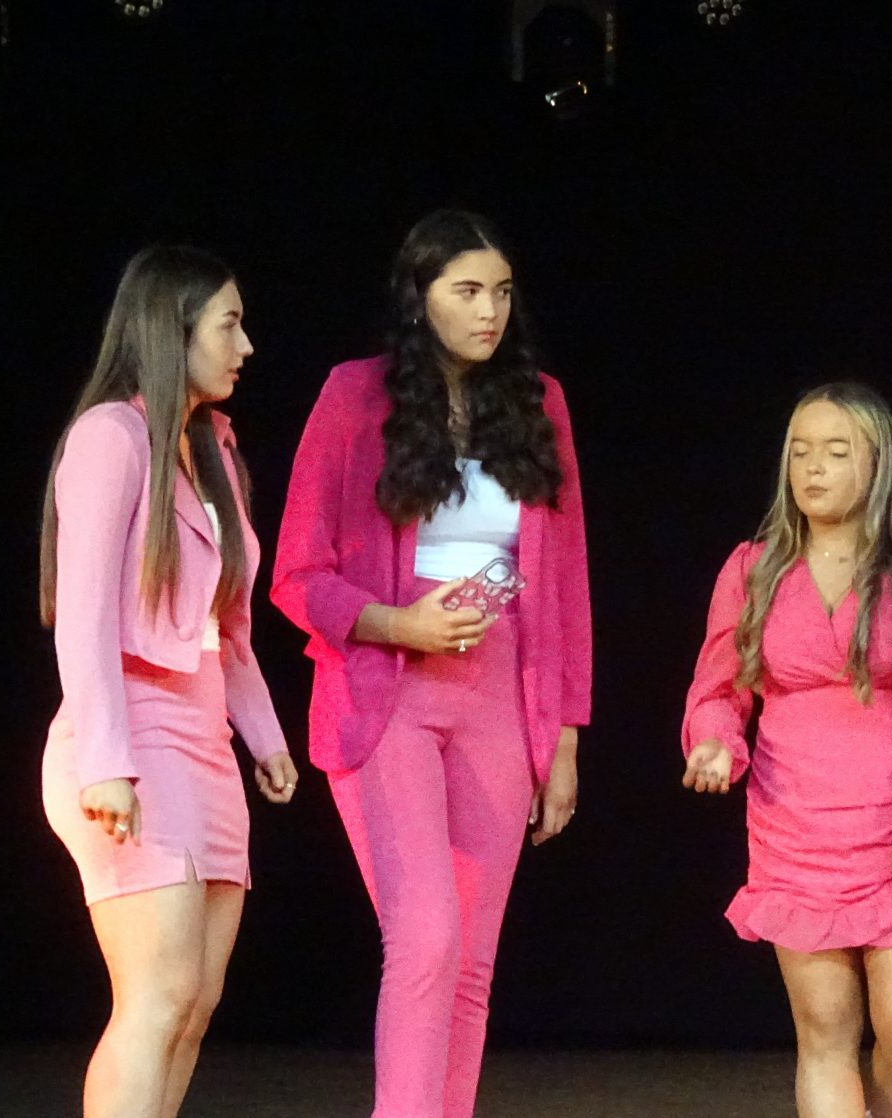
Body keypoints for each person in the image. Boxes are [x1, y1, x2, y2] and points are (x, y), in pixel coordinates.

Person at [271, 209, 591, 1117]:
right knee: (424, 937)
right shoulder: (354, 394)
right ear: (420, 296)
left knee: (473, 963)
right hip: (390, 692)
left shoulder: (540, 402)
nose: (489, 311)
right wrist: (397, 624)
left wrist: (564, 738)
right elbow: (296, 573)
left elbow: (565, 583)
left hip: (501, 697)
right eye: (467, 291)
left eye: (502, 293)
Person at [40, 245, 297, 1118]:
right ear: (171, 329)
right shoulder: (109, 437)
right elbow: (83, 616)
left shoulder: (211, 446)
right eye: (229, 324)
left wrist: (265, 738)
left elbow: (228, 627)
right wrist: (106, 762)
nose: (245, 345)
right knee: (154, 999)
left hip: (205, 746)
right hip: (131, 736)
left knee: (193, 1005)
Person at [682, 382, 892, 1118]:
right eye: (801, 452)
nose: (813, 468)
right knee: (824, 1032)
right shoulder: (751, 568)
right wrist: (715, 743)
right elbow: (719, 688)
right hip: (795, 826)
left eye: (836, 452)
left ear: (877, 463)